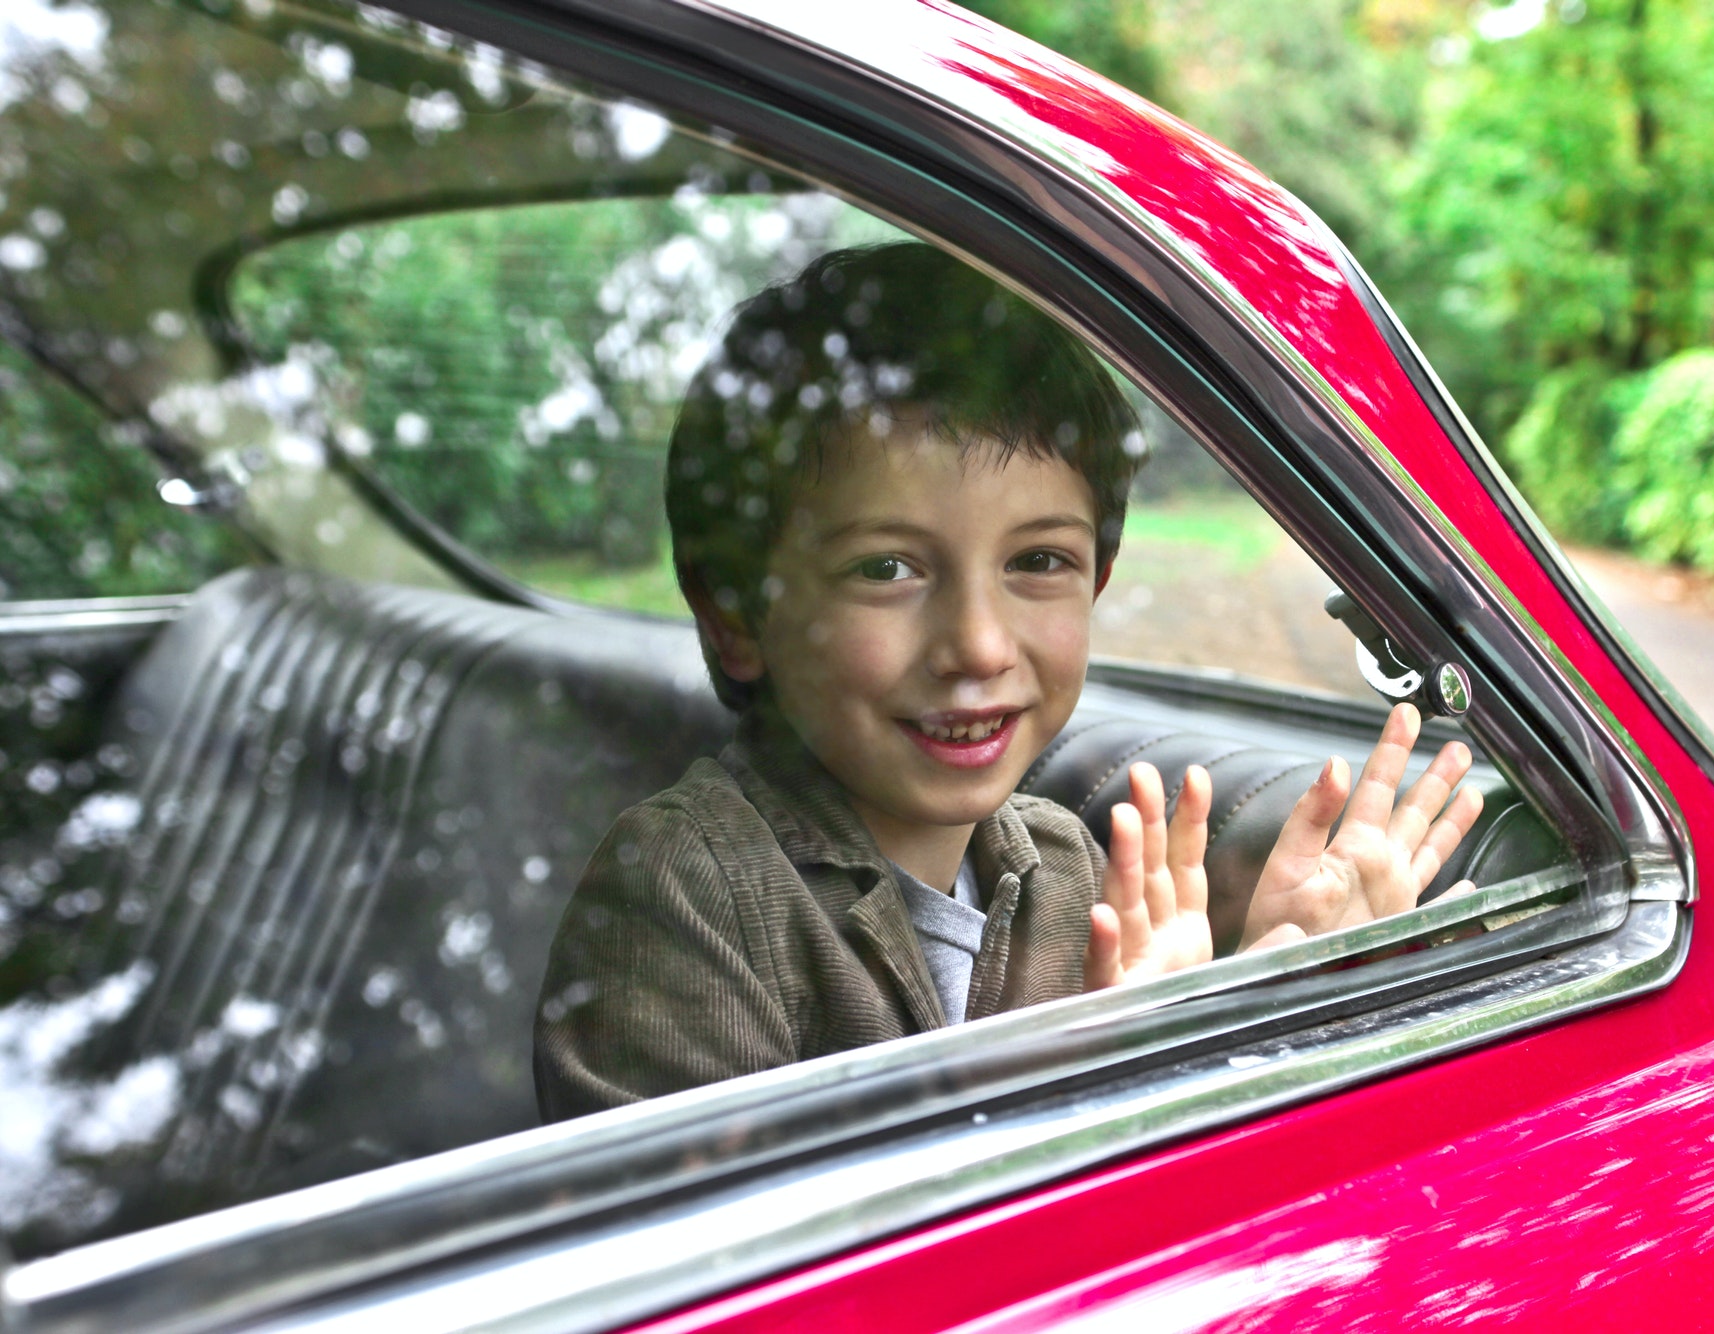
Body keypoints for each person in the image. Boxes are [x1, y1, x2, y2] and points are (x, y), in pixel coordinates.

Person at [533, 242, 1482, 1119]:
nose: (980, 646)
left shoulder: (1067, 868)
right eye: (885, 570)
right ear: (737, 618)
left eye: (1037, 562)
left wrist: (1259, 1004)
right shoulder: (691, 890)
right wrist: (1108, 1078)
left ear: (1098, 583)